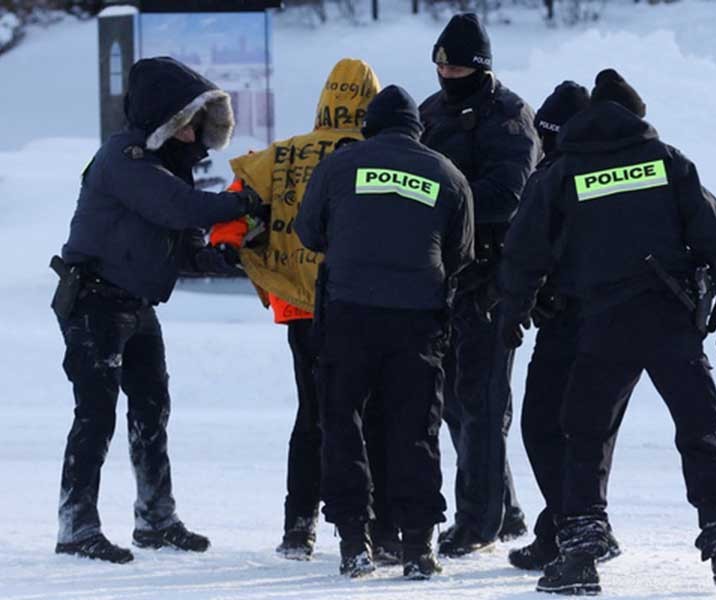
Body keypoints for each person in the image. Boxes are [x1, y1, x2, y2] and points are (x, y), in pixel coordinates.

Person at [500, 69, 716, 594]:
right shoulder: (665, 161)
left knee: (584, 435)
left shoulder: (565, 170)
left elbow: (525, 250)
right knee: (699, 428)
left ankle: (581, 557)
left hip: (603, 322)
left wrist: (513, 312)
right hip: (669, 317)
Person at [52, 56, 266, 564]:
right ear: (166, 120)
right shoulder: (124, 159)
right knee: (96, 413)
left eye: (198, 125)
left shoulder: (170, 170)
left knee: (151, 407)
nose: (195, 135)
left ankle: (156, 517)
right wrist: (247, 201)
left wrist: (226, 256)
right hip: (94, 301)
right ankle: (76, 524)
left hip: (135, 302)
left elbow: (187, 241)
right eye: (188, 123)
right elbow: (179, 209)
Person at [295, 85, 474, 579]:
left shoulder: (340, 164)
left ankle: (355, 540)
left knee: (343, 422)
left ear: (369, 126)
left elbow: (309, 232)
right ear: (419, 130)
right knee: (416, 428)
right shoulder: (447, 173)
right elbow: (461, 254)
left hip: (348, 313)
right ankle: (417, 546)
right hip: (418, 319)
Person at [209, 58, 384, 562]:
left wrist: (230, 247)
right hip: (361, 307)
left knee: (311, 415)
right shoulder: (377, 155)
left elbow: (232, 213)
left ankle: (297, 528)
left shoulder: (282, 157)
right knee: (362, 415)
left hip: (298, 310)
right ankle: (364, 524)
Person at [418, 12, 539, 557]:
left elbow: (509, 193)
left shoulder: (510, 116)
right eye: (441, 63)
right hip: (444, 277)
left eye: (458, 64)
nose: (448, 72)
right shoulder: (429, 112)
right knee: (454, 404)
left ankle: (477, 521)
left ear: (481, 67)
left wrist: (442, 203)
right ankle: (504, 509)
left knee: (482, 400)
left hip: (492, 277)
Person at [507, 81, 622, 573]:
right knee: (588, 435)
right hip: (621, 322)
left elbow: (526, 250)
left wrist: (514, 309)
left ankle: (577, 529)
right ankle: (566, 527)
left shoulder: (555, 173)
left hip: (568, 320)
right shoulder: (622, 167)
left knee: (542, 424)